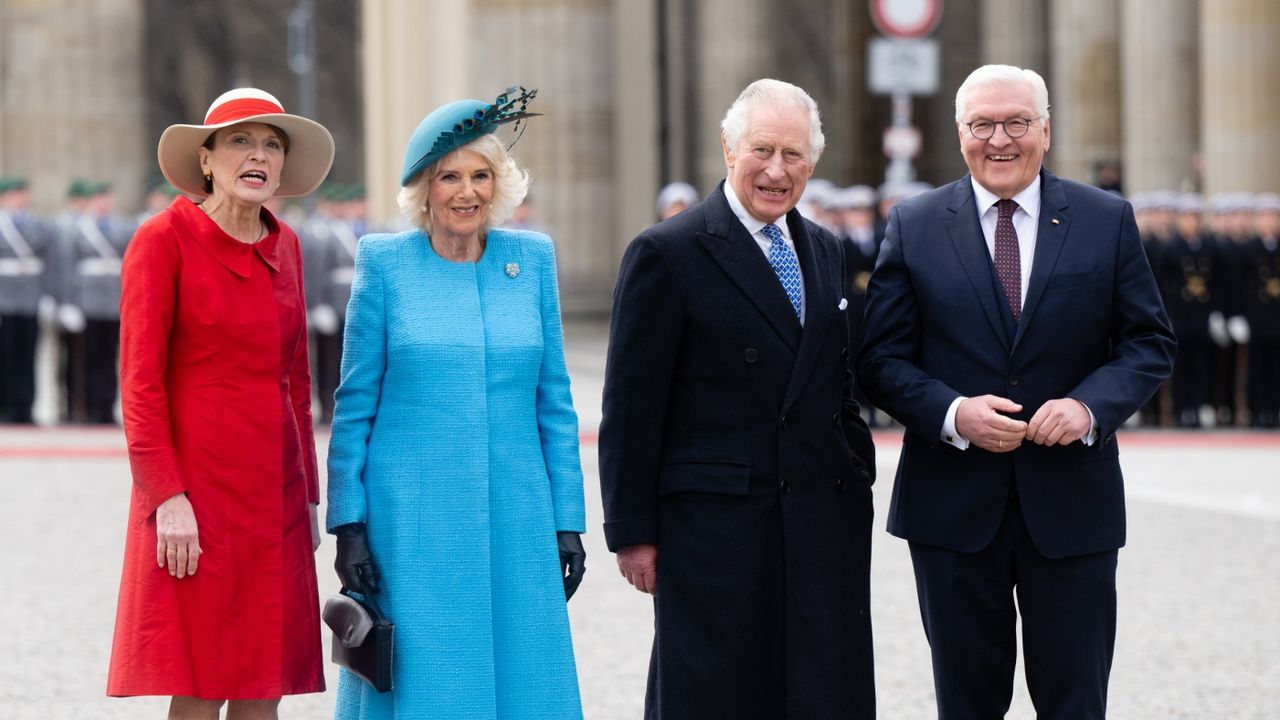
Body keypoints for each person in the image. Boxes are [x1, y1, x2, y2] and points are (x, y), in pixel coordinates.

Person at [858, 65, 1175, 719]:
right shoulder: (914, 224)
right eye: (982, 124)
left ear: (1046, 130)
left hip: (1071, 506)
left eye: (1016, 123)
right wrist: (952, 413)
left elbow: (1149, 342)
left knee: (1076, 702)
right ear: (960, 132)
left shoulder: (1104, 218)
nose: (998, 140)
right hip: (951, 507)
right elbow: (881, 358)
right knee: (966, 705)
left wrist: (1090, 406)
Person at [599, 78, 877, 718]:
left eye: (794, 155)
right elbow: (632, 407)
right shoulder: (666, 251)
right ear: (728, 150)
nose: (777, 171)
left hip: (817, 520)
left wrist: (852, 461)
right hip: (714, 532)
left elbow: (835, 378)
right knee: (716, 694)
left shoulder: (826, 249)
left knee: (817, 690)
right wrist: (633, 533)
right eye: (762, 150)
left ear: (813, 163)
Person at [325, 86, 587, 719]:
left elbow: (555, 402)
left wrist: (568, 519)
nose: (467, 192)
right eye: (450, 177)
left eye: (481, 175)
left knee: (524, 677)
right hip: (410, 525)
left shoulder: (532, 259)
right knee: (429, 682)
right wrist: (349, 527)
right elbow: (353, 407)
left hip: (517, 516)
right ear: (425, 189)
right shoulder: (385, 264)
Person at [107, 87, 334, 718]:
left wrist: (308, 493)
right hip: (196, 492)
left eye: (271, 144)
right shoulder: (162, 241)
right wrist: (166, 497)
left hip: (275, 494)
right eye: (240, 141)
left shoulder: (285, 244)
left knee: (266, 681)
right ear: (206, 159)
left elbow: (296, 382)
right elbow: (140, 385)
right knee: (203, 679)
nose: (257, 155)